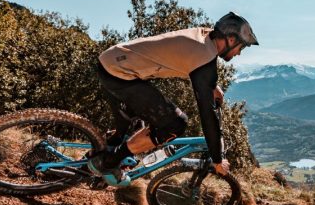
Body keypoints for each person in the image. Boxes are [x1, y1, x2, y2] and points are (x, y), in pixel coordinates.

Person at [88, 12, 258, 183]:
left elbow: (194, 62)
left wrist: (212, 87)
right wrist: (217, 159)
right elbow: (207, 115)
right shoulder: (205, 56)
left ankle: (90, 162)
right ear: (231, 39)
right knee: (176, 124)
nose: (239, 53)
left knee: (131, 125)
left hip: (112, 62)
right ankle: (108, 162)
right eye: (241, 47)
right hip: (119, 74)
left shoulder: (205, 37)